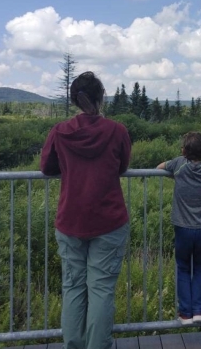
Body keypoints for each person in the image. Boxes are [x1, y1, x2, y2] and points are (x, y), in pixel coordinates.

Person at [40, 71, 131, 349]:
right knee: (101, 290)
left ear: (74, 100)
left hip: (70, 221)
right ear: (101, 97)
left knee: (73, 288)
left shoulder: (60, 131)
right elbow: (122, 166)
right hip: (109, 221)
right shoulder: (117, 131)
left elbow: (47, 167)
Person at [157, 131, 201, 325]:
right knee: (200, 267)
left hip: (182, 228)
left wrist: (177, 177)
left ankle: (185, 313)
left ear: (184, 150)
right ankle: (199, 311)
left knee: (184, 268)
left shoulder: (179, 164)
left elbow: (159, 167)